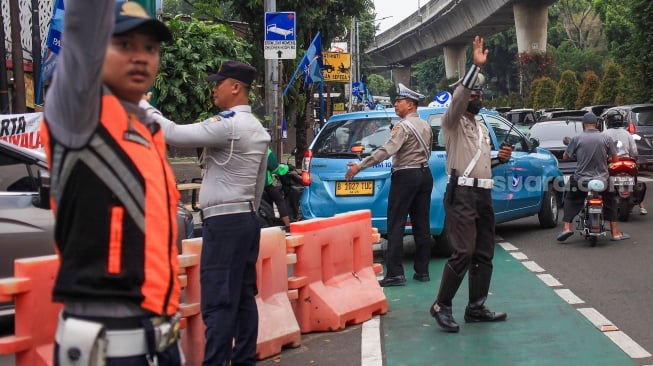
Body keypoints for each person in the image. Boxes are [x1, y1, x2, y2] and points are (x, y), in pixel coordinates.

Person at [40, 1, 183, 364]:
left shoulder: (147, 130)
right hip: (105, 347)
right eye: (124, 44)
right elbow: (83, 23)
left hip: (161, 340)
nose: (140, 57)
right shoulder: (79, 115)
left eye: (150, 48)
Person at [143, 60, 270, 365]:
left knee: (217, 301)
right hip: (246, 217)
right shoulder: (255, 128)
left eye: (219, 83)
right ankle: (243, 360)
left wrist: (142, 106)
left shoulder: (227, 125)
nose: (214, 88)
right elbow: (258, 185)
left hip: (224, 223)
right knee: (241, 298)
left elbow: (172, 133)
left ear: (235, 87)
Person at [429, 36, 512, 333]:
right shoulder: (451, 121)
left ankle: (476, 307)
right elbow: (460, 95)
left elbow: (480, 162)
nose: (478, 96)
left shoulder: (480, 126)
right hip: (461, 192)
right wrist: (474, 67)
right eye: (474, 94)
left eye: (479, 93)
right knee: (463, 251)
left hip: (482, 192)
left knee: (484, 252)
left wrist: (499, 159)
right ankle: (441, 304)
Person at [344, 82, 433, 287]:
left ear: (410, 105)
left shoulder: (402, 126)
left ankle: (395, 273)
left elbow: (386, 150)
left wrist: (360, 166)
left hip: (405, 176)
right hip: (424, 174)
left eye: (399, 101)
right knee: (422, 225)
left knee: (396, 225)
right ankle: (422, 271)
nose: (395, 104)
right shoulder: (425, 125)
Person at [556, 112, 630, 242]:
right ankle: (615, 233)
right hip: (602, 180)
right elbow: (615, 159)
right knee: (611, 201)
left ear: (583, 124)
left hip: (581, 180)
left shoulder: (576, 138)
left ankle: (566, 228)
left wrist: (574, 155)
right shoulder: (606, 138)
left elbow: (565, 157)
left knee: (571, 198)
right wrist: (606, 160)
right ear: (597, 124)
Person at [602, 109, 647, 215]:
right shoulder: (627, 134)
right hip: (627, 161)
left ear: (608, 121)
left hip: (612, 162)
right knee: (635, 181)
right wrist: (635, 159)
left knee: (603, 182)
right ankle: (642, 206)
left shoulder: (604, 134)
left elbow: (602, 150)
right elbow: (634, 151)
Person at [266, 147, 292, 228]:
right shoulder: (266, 151)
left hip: (249, 184)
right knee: (279, 200)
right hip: (264, 184)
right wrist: (288, 167)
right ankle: (288, 225)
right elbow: (276, 169)